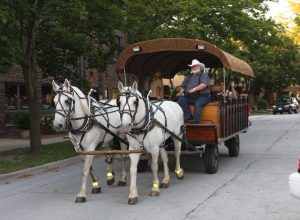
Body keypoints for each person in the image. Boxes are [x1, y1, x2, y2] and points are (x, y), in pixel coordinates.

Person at [177, 59, 210, 124]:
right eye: (193, 66)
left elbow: (203, 85)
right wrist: (180, 92)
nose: (194, 67)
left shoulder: (204, 75)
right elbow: (184, 86)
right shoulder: (188, 77)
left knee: (198, 103)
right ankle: (188, 115)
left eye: (196, 66)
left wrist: (194, 89)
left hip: (203, 96)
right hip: (191, 97)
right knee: (181, 100)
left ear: (200, 67)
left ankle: (196, 121)